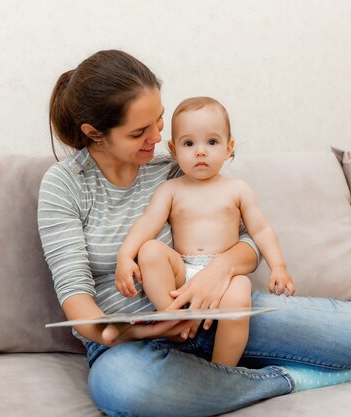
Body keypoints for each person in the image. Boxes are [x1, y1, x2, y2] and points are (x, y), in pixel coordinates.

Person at [39, 49, 351, 417]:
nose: (157, 137)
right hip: (132, 344)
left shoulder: (174, 169)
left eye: (158, 121)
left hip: (218, 309)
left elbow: (248, 240)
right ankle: (287, 380)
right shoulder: (65, 184)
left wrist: (219, 271)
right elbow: (75, 293)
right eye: (139, 132)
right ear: (95, 133)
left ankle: (206, 377)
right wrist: (130, 332)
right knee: (128, 390)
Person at [114, 96, 296, 366]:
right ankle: (173, 317)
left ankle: (222, 368)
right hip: (182, 271)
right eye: (189, 143)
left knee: (240, 293)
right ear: (174, 150)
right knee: (150, 250)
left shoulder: (237, 189)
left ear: (229, 147)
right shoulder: (171, 190)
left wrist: (278, 267)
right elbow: (146, 224)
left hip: (225, 276)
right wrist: (125, 257)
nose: (200, 151)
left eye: (212, 142)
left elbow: (261, 230)